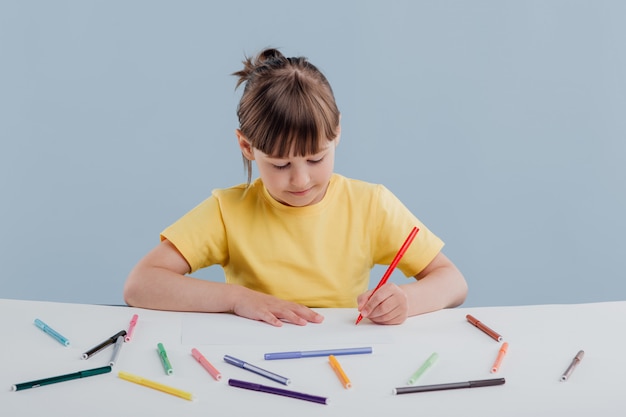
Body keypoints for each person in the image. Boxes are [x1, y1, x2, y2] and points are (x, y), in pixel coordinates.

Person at [124, 48, 467, 327]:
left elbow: (453, 282)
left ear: (337, 133)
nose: (301, 180)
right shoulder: (228, 211)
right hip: (251, 359)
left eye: (316, 159)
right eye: (280, 165)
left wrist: (406, 301)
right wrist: (237, 299)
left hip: (346, 355)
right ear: (246, 147)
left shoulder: (370, 205)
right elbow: (141, 285)